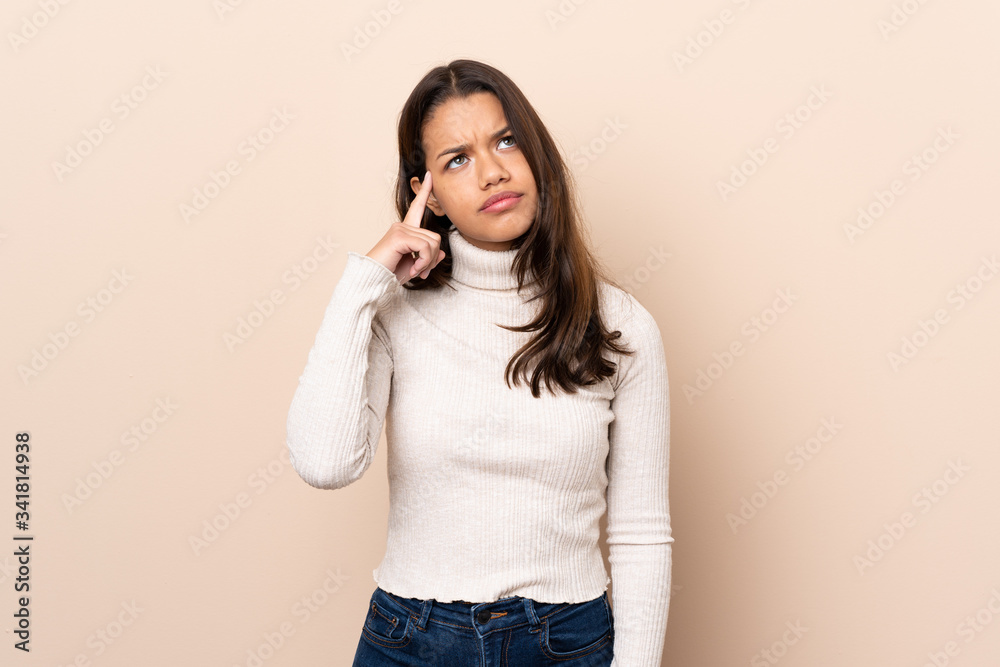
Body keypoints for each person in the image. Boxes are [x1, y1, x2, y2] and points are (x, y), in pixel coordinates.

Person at [285, 59, 673, 666]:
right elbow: (325, 461)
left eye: (506, 140)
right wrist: (364, 285)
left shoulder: (618, 325)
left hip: (566, 642)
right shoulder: (392, 314)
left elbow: (641, 532)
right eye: (456, 159)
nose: (492, 172)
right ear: (426, 192)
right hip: (410, 639)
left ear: (536, 155)